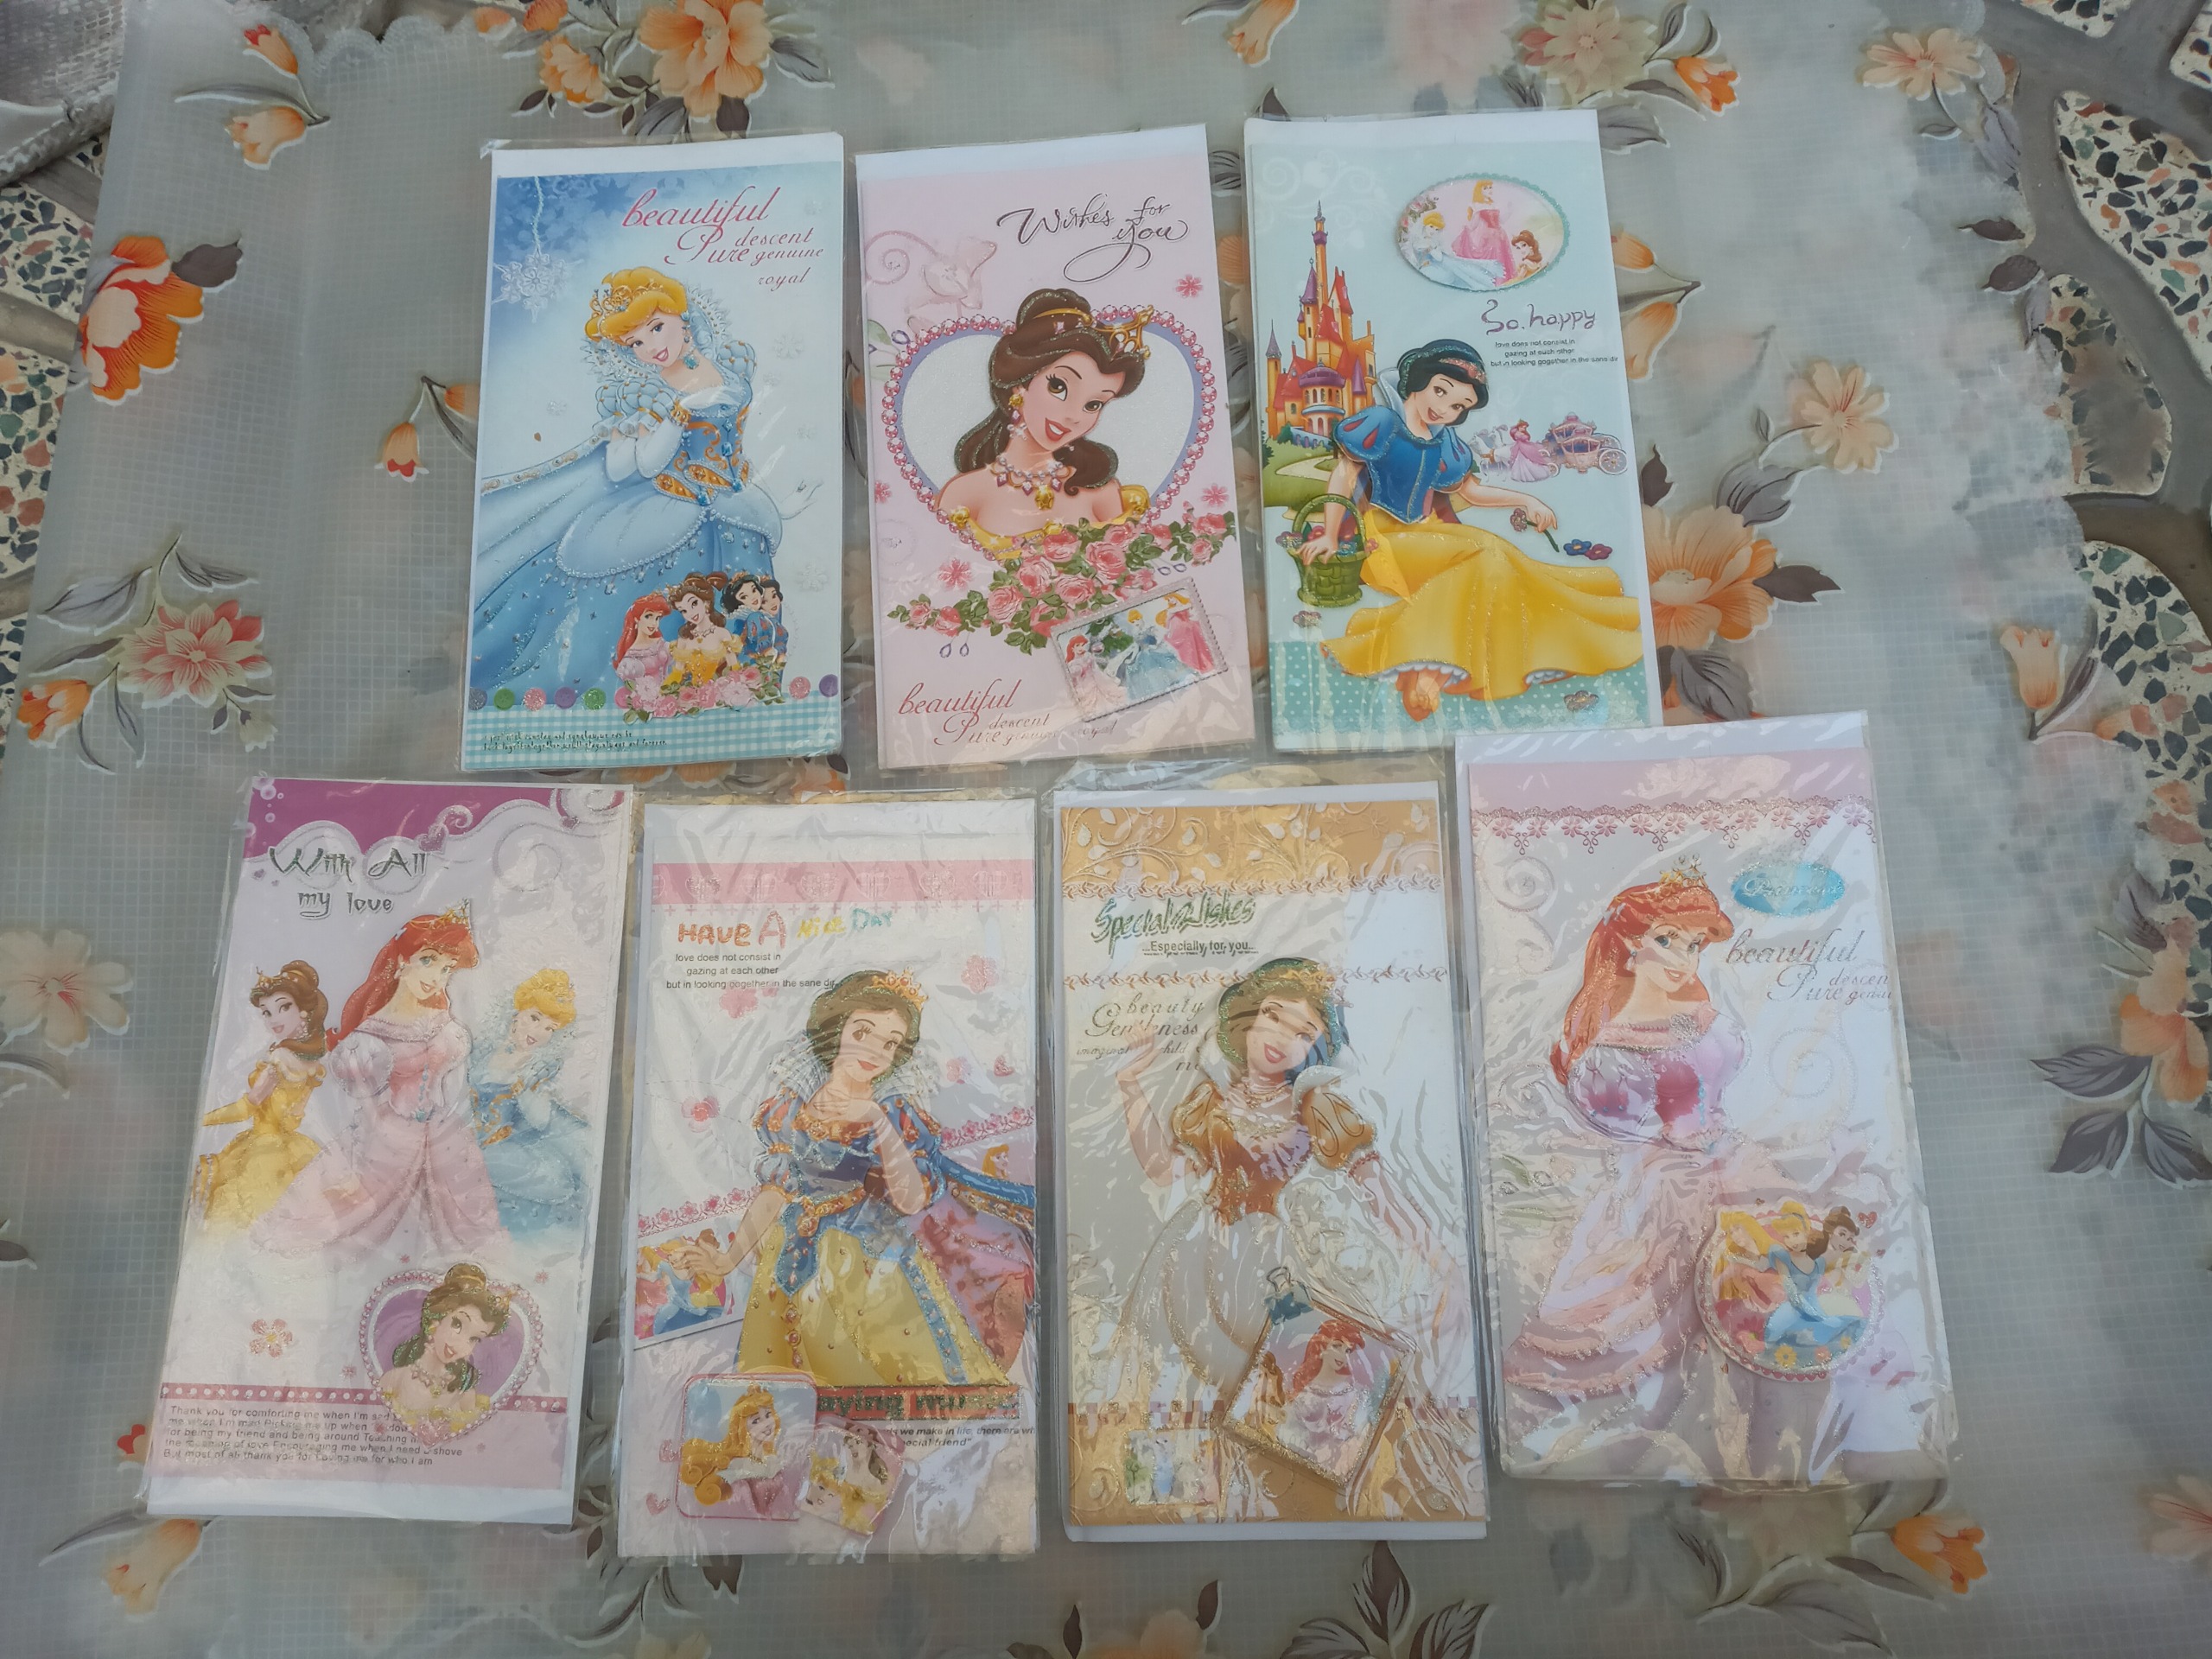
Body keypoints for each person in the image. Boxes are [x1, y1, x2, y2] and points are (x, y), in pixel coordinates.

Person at [1108, 958, 1480, 1519]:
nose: (1283, 1037)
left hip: (1272, 1262)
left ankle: (1288, 1496)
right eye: (1274, 1016)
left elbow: (1379, 1190)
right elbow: (1164, 1170)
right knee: (1180, 1381)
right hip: (1192, 1256)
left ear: (1317, 1049)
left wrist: (1439, 1259)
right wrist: (1130, 1084)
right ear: (1246, 1020)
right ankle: (1173, 1498)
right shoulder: (1209, 1100)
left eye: (1304, 1032)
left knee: (1281, 1394)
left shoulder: (1317, 1107)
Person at [1503, 868, 1796, 1408]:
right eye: (1666, 940)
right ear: (1629, 948)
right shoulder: (1611, 1049)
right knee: (1656, 1302)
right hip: (1665, 1183)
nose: (1683, 959)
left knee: (1774, 1279)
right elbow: (1621, 1122)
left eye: (1693, 945)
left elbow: (1716, 1070)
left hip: (1735, 1162)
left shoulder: (1699, 1018)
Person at [660, 971, 1035, 1386]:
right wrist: (728, 1260)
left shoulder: (892, 1113)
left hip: (869, 1259)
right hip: (791, 1259)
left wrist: (876, 1119)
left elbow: (912, 1200)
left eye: (890, 1043)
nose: (876, 1050)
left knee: (878, 1375)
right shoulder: (792, 1110)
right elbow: (777, 1190)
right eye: (863, 1032)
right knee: (788, 1387)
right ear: (836, 1029)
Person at [468, 269, 801, 702]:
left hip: (734, 506)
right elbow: (639, 466)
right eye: (635, 343)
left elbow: (732, 450)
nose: (651, 347)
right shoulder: (649, 395)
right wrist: (675, 417)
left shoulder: (727, 368)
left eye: (656, 327)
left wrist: (779, 500)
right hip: (676, 504)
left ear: (682, 317)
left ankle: (742, 689)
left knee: (744, 615)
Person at [1297, 340, 1644, 721]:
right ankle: (1429, 672)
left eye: (1458, 406)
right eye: (1440, 390)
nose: (1445, 408)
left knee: (1498, 550)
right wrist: (1330, 533)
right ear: (1419, 382)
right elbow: (1343, 475)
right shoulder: (1382, 422)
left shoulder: (1445, 441)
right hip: (1382, 540)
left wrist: (1526, 500)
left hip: (1431, 531)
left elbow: (1472, 493)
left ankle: (1565, 630)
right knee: (1487, 561)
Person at [258, 907, 505, 1257]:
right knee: (359, 1208)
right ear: (402, 961)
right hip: (387, 1135)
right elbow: (366, 1106)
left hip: (444, 1137)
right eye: (428, 961)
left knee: (463, 1218)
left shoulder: (446, 1026)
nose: (436, 977)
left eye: (446, 969)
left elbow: (453, 1088)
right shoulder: (370, 1035)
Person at [936, 287, 1152, 548]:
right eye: (1058, 387)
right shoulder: (964, 494)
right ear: (1020, 384)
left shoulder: (1100, 491)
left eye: (1093, 405)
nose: (1073, 416)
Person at [195, 962, 327, 1228]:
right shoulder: (313, 1064)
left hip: (263, 1148)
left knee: (240, 1213)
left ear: (303, 1011)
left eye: (283, 1007)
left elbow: (247, 1107)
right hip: (290, 1147)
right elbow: (294, 1118)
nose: (273, 1019)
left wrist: (201, 1119)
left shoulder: (279, 1059)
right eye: (266, 1012)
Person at [471, 968, 590, 1236]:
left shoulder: (536, 1065)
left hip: (508, 1135)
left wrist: (526, 1091)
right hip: (474, 1142)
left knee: (575, 1159)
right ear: (516, 1014)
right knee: (555, 1178)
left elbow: (539, 1119)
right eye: (535, 1018)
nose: (540, 1032)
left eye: (549, 1028)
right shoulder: (482, 1050)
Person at [377, 1262, 510, 1435]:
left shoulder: (465, 1395)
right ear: (436, 1319)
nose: (460, 1344)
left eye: (474, 1339)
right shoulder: (394, 1380)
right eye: (457, 1324)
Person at [679, 1383, 782, 1506]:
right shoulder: (738, 1464)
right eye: (756, 1421)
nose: (766, 1424)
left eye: (768, 1415)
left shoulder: (773, 1454)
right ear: (743, 1427)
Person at [1451, 204, 1516, 286]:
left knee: (1498, 257)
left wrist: (1510, 211)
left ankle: (1497, 281)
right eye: (1486, 189)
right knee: (1496, 257)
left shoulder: (1486, 208)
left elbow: (1500, 221)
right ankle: (1496, 281)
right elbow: (1474, 225)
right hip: (1493, 237)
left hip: (1495, 237)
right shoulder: (1484, 207)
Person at [1160, 600, 1217, 674]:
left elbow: (1190, 615)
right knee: (1193, 651)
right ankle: (1203, 667)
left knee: (1200, 648)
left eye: (1172, 598)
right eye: (1169, 599)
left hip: (1192, 630)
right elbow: (1175, 631)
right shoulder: (1174, 616)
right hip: (1187, 634)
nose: (1171, 600)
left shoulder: (1184, 605)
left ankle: (1207, 666)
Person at [1504, 418, 1556, 482]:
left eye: (1525, 428)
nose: (1524, 429)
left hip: (1524, 444)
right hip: (1522, 446)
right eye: (1523, 428)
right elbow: (1524, 438)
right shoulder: (1517, 433)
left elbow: (1526, 438)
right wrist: (1524, 436)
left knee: (1534, 448)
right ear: (1520, 427)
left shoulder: (1521, 433)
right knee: (1525, 458)